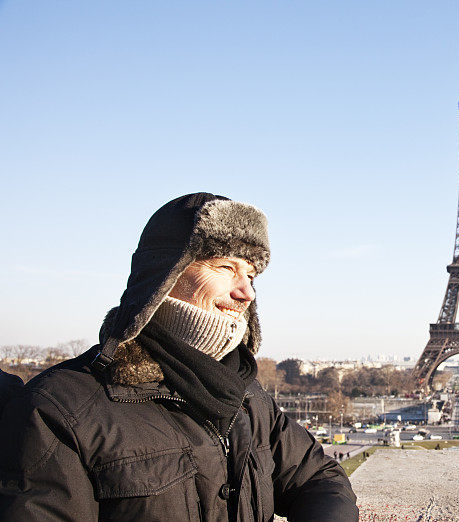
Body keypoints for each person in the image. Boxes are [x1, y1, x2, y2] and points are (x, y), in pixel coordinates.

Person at [0, 193, 358, 521]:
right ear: (165, 275)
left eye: (251, 274)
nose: (246, 291)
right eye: (224, 268)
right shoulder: (59, 408)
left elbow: (319, 477)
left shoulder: (247, 394)